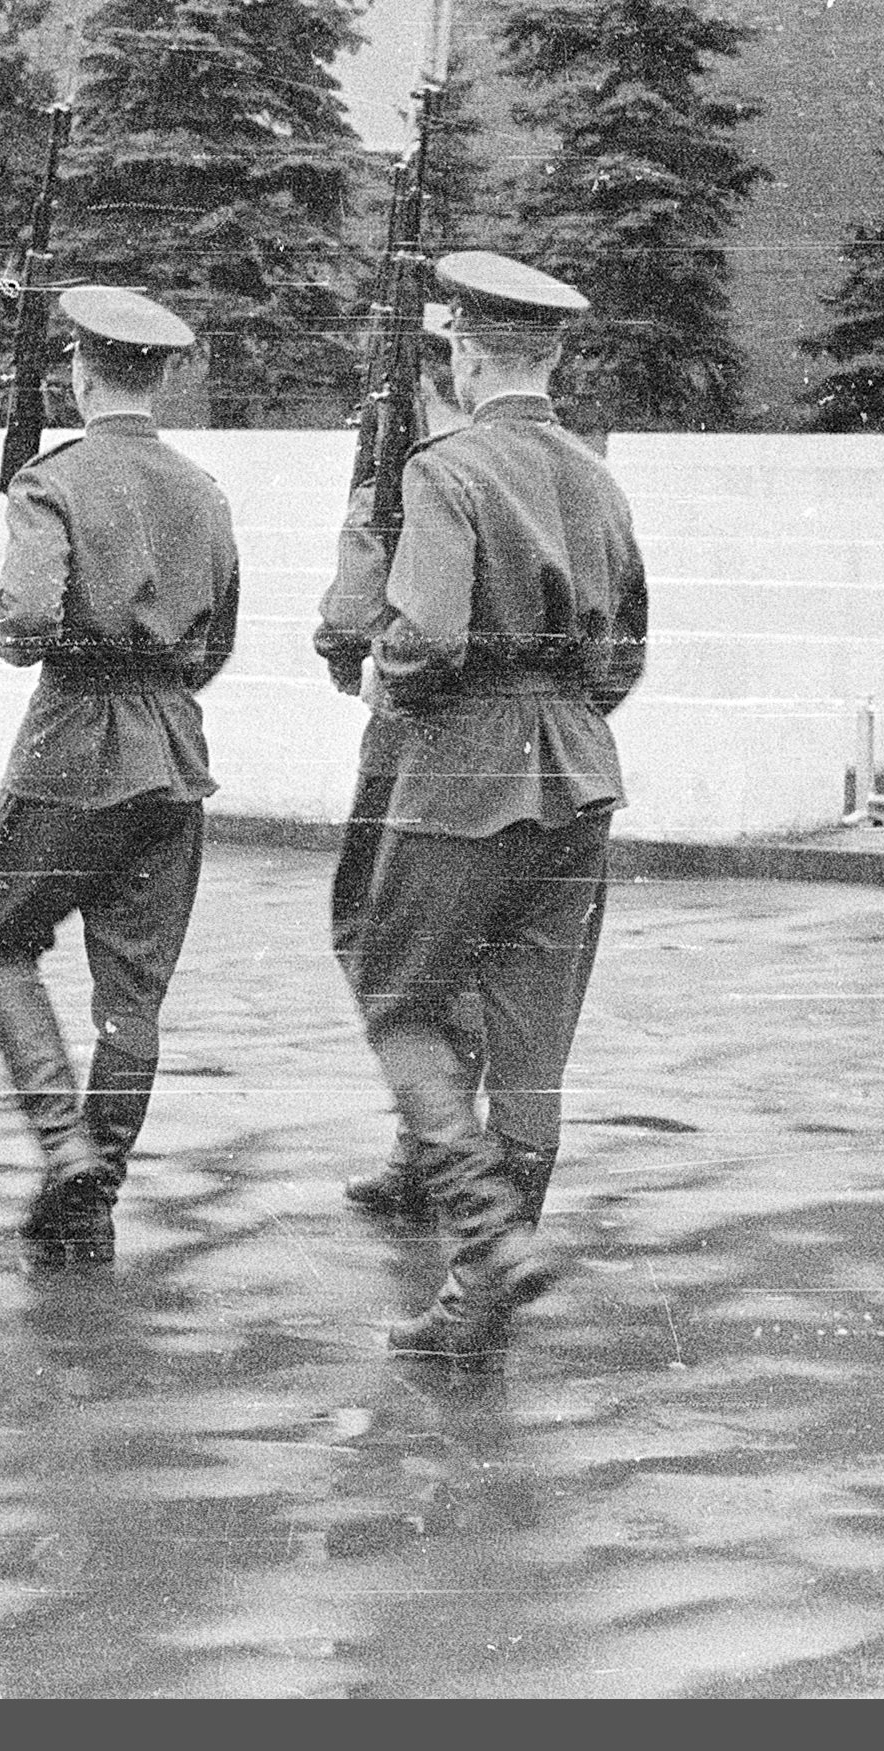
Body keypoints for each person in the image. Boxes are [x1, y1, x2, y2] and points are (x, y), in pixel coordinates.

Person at [344, 250, 648, 1367]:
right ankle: (477, 1302)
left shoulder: (448, 468)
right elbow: (622, 654)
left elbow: (423, 635)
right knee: (531, 1052)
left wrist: (389, 672)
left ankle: (486, 1233)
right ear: (552, 355)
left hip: (467, 763)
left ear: (467, 355)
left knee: (402, 1003)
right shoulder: (596, 476)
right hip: (579, 762)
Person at [0, 284, 240, 1269]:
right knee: (134, 997)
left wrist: (18, 634)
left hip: (73, 737)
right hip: (172, 747)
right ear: (160, 377)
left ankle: (61, 1142)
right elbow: (216, 637)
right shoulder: (203, 491)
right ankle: (94, 1192)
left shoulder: (55, 480)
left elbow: (23, 625)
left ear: (79, 372)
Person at [314, 304, 484, 1230]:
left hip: (415, 729)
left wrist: (346, 649)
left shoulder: (413, 473)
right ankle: (437, 1143)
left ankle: (435, 1143)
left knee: (375, 930)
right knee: (467, 947)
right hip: (523, 750)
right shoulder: (538, 463)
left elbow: (357, 590)